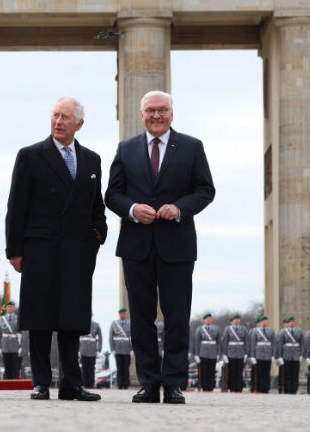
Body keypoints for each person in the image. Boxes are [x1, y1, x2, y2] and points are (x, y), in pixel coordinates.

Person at [105, 90, 215, 404]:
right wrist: (132, 209)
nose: (156, 115)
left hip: (177, 244)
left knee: (177, 316)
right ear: (142, 115)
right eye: (150, 110)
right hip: (136, 244)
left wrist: (180, 208)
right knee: (140, 317)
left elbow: (205, 190)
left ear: (172, 114)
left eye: (162, 110)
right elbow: (112, 195)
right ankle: (149, 383)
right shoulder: (126, 150)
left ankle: (174, 383)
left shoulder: (192, 147)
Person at [6, 96, 107, 402]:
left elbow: (96, 205)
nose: (58, 122)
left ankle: (72, 384)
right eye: (54, 116)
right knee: (39, 317)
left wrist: (97, 234)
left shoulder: (92, 160)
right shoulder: (31, 155)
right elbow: (16, 206)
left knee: (72, 318)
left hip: (78, 250)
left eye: (65, 117)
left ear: (79, 123)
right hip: (40, 247)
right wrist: (15, 250)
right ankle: (40, 382)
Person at [246, 315, 274, 393]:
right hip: (258, 354)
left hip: (268, 354)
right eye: (263, 321)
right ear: (259, 322)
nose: (265, 322)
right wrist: (252, 356)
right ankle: (258, 387)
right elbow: (252, 344)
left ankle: (266, 388)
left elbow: (273, 343)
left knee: (266, 372)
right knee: (259, 372)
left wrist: (273, 355)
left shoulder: (271, 331)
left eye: (266, 320)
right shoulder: (255, 331)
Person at [192, 313, 220, 391]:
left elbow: (219, 342)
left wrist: (218, 353)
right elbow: (197, 343)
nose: (209, 320)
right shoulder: (200, 329)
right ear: (204, 320)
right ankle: (204, 387)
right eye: (207, 319)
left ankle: (211, 387)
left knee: (212, 371)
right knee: (204, 371)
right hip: (203, 353)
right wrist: (196, 355)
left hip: (213, 352)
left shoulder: (216, 329)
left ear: (212, 320)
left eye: (210, 319)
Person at [274, 316, 302, 394]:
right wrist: (279, 356)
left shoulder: (299, 331)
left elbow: (302, 343)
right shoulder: (283, 332)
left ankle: (294, 389)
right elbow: (280, 345)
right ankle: (287, 389)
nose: (291, 323)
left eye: (293, 321)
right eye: (290, 322)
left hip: (296, 354)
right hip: (286, 354)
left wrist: (301, 354)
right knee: (287, 373)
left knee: (295, 373)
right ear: (288, 323)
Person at [220, 314, 247, 392]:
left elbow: (246, 342)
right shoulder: (228, 329)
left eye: (238, 319)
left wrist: (246, 353)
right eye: (235, 320)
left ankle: (239, 387)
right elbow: (225, 342)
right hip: (231, 353)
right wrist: (224, 354)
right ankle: (232, 387)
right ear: (231, 321)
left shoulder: (244, 329)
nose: (236, 321)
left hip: (241, 353)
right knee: (232, 371)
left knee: (239, 371)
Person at [109, 308, 132, 389]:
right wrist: (112, 349)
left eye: (124, 313)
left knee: (126, 368)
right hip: (118, 349)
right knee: (119, 368)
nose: (123, 315)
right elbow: (111, 337)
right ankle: (120, 384)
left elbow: (132, 337)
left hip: (127, 349)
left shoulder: (130, 323)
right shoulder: (114, 323)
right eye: (122, 313)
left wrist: (132, 349)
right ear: (119, 314)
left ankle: (126, 384)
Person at [0, 301, 22, 379]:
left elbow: (21, 333)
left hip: (15, 344)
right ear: (6, 308)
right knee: (6, 364)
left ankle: (15, 381)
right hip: (5, 344)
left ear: (14, 308)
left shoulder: (18, 318)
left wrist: (20, 346)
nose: (10, 308)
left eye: (12, 307)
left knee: (15, 365)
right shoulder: (2, 318)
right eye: (9, 307)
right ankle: (7, 381)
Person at [79, 316, 102, 389]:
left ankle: (91, 384)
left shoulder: (96, 325)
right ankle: (84, 384)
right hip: (83, 349)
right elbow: (77, 337)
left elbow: (100, 338)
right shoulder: (81, 324)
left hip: (92, 350)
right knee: (84, 368)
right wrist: (78, 350)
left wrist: (99, 350)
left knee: (92, 368)